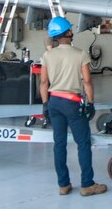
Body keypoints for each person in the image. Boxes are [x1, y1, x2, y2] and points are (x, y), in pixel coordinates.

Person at [39, 16, 107, 197]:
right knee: (83, 143)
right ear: (68, 33)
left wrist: (45, 104)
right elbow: (87, 81)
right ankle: (87, 184)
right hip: (72, 103)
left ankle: (63, 185)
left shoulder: (47, 55)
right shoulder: (80, 54)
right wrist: (91, 103)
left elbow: (43, 82)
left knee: (59, 143)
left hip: (54, 102)